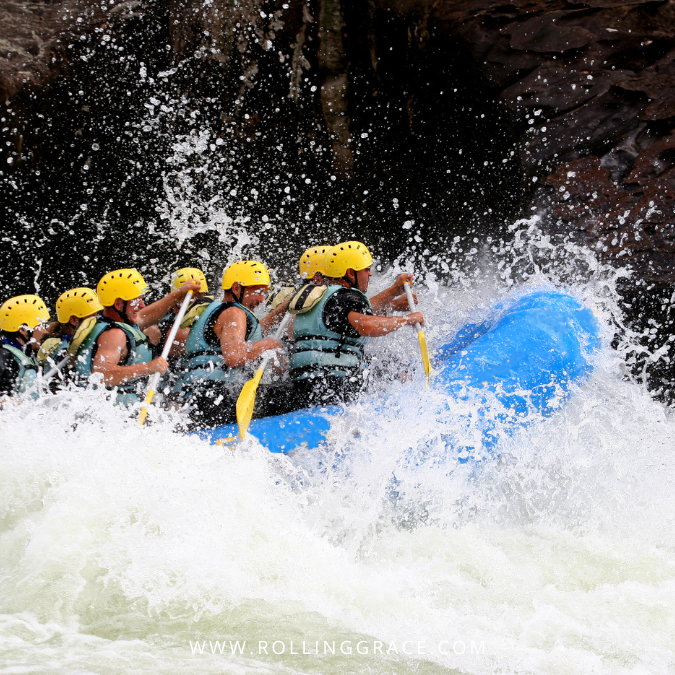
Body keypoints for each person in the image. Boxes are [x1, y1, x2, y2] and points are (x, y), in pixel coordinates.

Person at [289, 241, 424, 405]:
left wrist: (394, 290)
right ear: (351, 273)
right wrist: (407, 320)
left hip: (304, 384)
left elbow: (357, 313)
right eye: (366, 269)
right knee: (401, 375)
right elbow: (367, 325)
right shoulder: (347, 296)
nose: (370, 274)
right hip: (335, 383)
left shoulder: (317, 296)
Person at [173, 260, 291, 426]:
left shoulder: (213, 310)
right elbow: (234, 356)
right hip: (216, 399)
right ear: (236, 288)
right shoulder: (234, 312)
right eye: (257, 291)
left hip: (196, 398)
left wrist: (282, 310)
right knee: (288, 393)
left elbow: (246, 336)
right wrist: (268, 344)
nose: (261, 299)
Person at [74, 268, 200, 405]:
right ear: (118, 303)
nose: (142, 304)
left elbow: (146, 315)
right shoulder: (114, 334)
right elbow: (101, 374)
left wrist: (178, 294)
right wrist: (148, 367)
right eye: (136, 299)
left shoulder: (114, 323)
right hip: (112, 411)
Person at [36, 287, 104, 371]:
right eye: (92, 316)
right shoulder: (61, 350)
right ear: (74, 320)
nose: (96, 320)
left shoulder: (68, 342)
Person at [0, 294, 50, 397]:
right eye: (40, 326)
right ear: (22, 329)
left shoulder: (28, 353)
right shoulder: (3, 357)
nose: (45, 331)